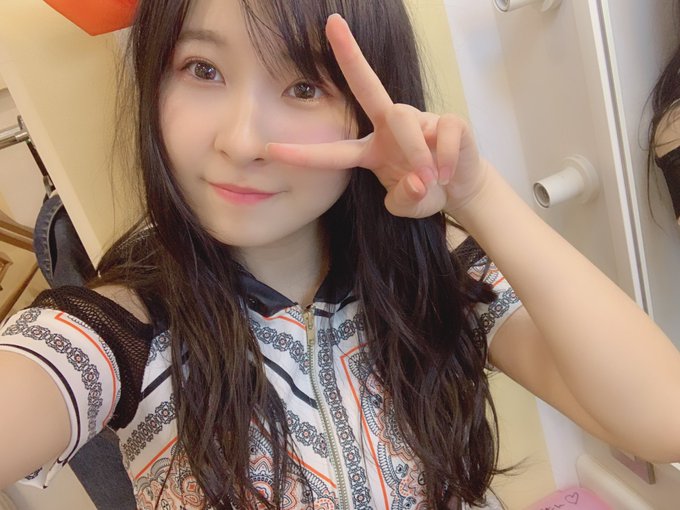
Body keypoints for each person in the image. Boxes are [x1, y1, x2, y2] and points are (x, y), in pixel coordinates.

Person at [1, 0, 679, 508]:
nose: (242, 141)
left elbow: (663, 420)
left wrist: (476, 196)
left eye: (304, 86)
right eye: (203, 70)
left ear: (369, 105)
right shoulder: (116, 333)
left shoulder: (435, 273)